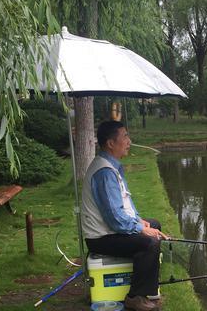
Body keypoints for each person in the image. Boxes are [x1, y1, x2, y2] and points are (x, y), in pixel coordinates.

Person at [81, 120, 168, 311]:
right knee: (150, 243)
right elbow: (114, 217)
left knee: (155, 225)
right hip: (101, 238)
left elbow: (123, 205)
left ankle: (148, 286)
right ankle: (135, 297)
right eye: (125, 137)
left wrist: (140, 222)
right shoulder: (104, 172)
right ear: (111, 143)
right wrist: (140, 229)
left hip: (110, 231)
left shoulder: (111, 166)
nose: (129, 141)